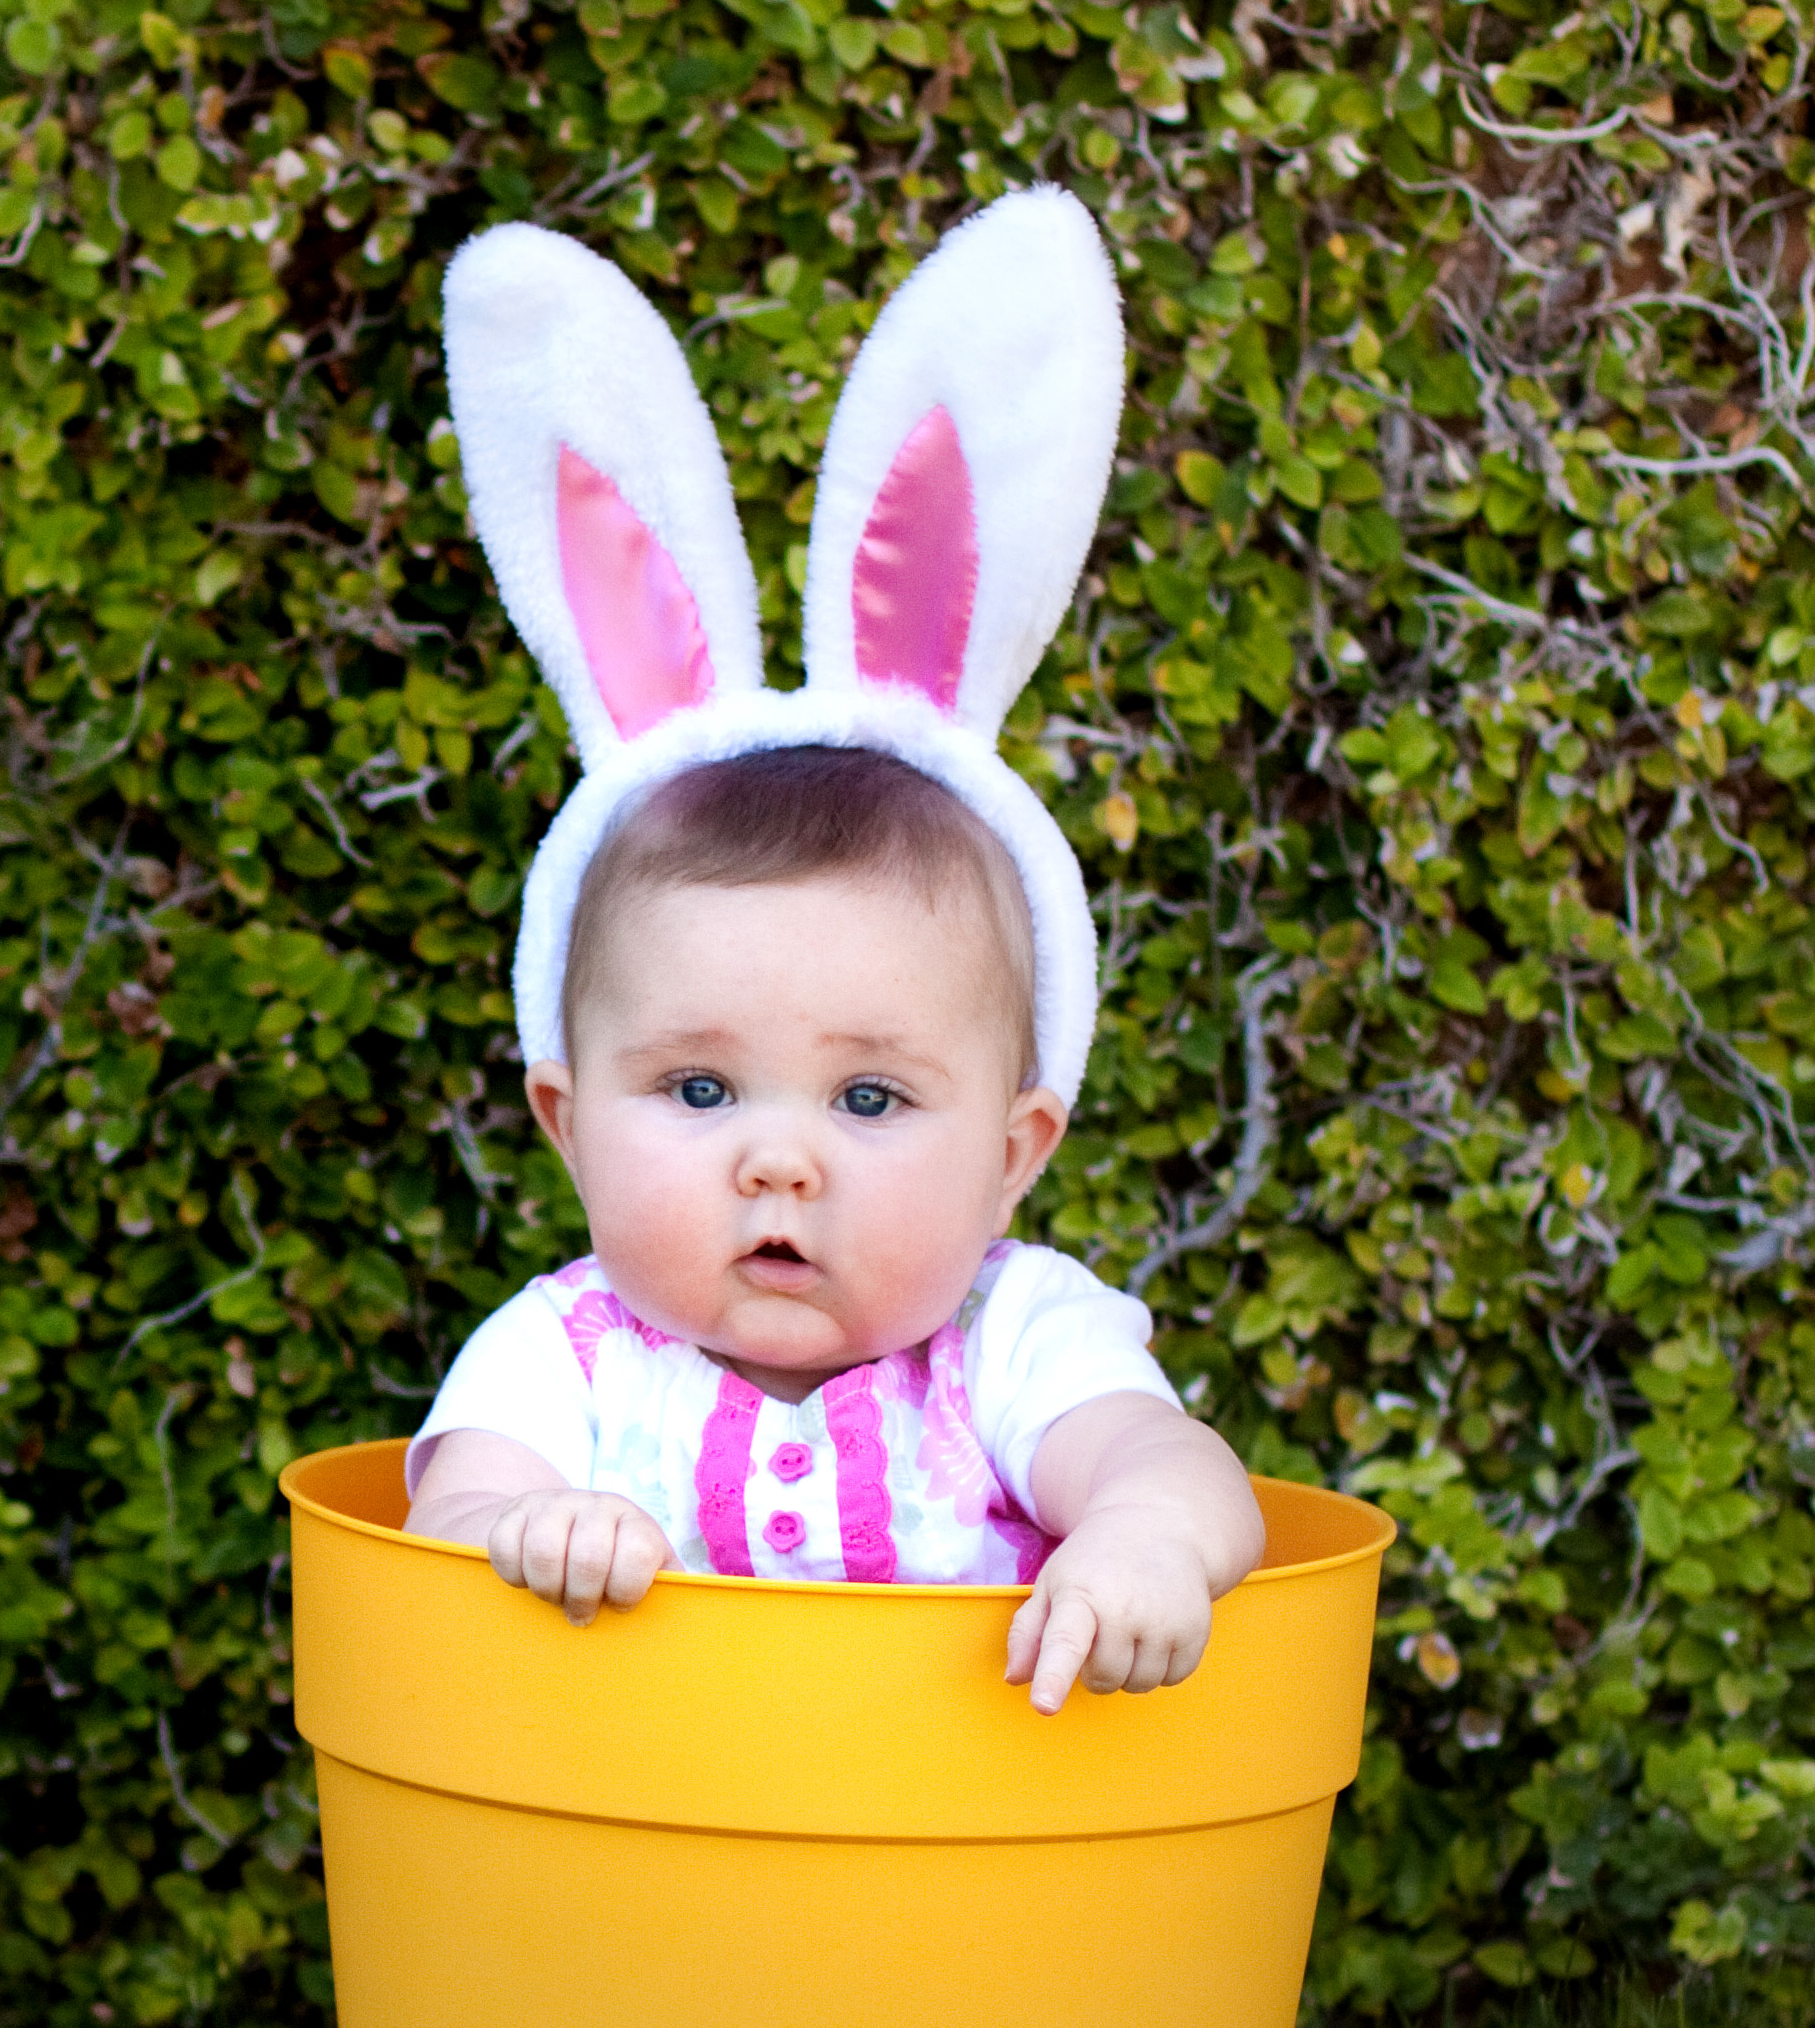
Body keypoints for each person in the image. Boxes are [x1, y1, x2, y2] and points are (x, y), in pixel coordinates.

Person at [398, 191, 1264, 1713]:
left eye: (869, 1098)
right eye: (699, 1089)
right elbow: (448, 1520)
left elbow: (1170, 1464)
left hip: (959, 1842)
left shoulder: (1011, 1337)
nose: (778, 1164)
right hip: (628, 1834)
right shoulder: (568, 1356)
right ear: (567, 1120)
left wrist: (1144, 1541)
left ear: (1013, 1152)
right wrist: (522, 1531)